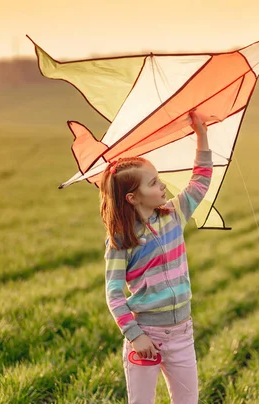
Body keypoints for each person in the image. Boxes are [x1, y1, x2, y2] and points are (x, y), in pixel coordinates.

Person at [100, 111, 211, 403]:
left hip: (182, 333)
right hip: (146, 335)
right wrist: (135, 335)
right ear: (132, 198)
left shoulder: (174, 215)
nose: (162, 186)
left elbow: (200, 183)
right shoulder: (121, 241)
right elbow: (113, 293)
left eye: (158, 179)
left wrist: (202, 136)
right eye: (152, 183)